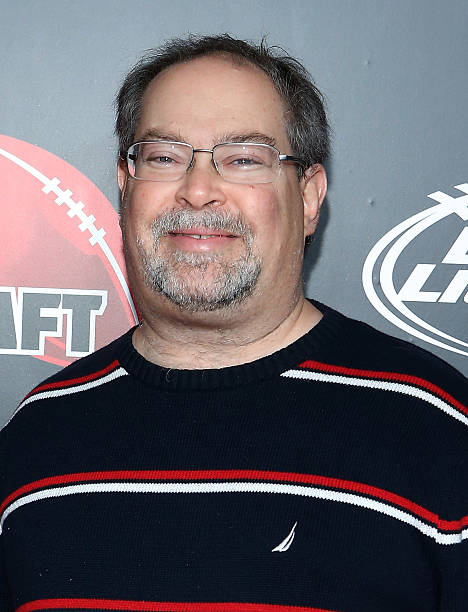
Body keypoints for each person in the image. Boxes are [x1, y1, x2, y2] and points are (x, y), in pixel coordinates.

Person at [0, 34, 466, 612]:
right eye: (164, 158)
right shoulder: (35, 437)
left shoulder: (438, 428)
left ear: (309, 197)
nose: (198, 191)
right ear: (126, 190)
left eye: (244, 158)